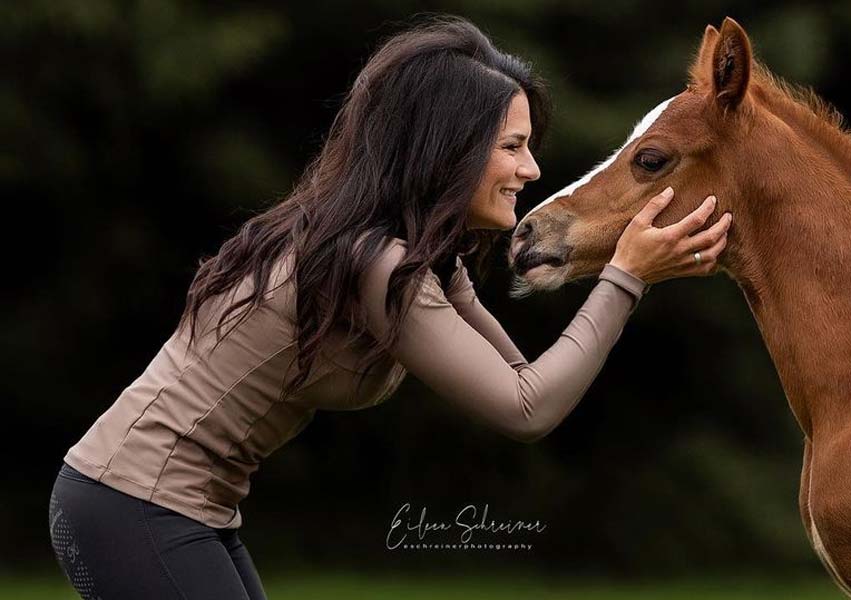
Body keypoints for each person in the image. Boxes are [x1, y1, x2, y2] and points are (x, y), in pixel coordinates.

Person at [47, 16, 732, 600]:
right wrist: (625, 278)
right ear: (448, 152)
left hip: (171, 507)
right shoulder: (376, 263)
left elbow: (520, 377)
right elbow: (529, 409)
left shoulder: (410, 256)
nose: (532, 171)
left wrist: (626, 271)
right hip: (132, 503)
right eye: (514, 147)